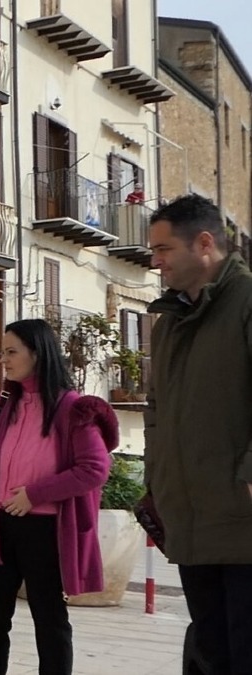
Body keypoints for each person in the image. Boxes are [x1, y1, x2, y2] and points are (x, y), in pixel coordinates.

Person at [0, 319, 115, 675]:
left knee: (50, 621)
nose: (4, 359)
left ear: (38, 353)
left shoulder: (73, 408)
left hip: (45, 530)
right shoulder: (4, 403)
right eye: (2, 351)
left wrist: (35, 494)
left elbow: (94, 468)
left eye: (12, 351)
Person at [144, 194, 252, 675]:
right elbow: (156, 411)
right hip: (191, 520)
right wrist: (157, 480)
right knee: (208, 654)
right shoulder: (168, 323)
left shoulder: (247, 302)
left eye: (164, 249)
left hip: (243, 520)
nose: (155, 261)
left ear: (204, 244)